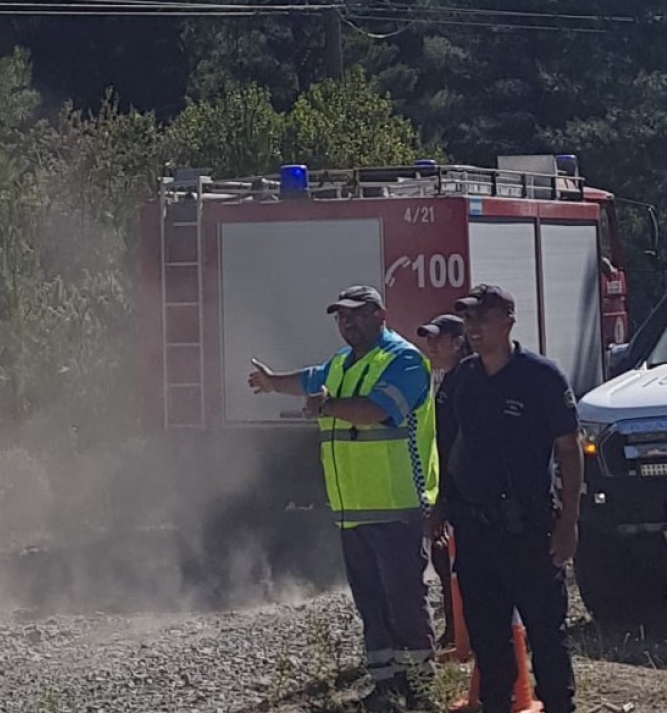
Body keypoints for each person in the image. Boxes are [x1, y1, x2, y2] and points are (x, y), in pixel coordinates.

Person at [249, 284, 438, 710]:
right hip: (353, 511)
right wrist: (273, 383)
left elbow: (374, 411)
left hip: (396, 506)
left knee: (404, 603)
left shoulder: (404, 360)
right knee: (371, 603)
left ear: (380, 316)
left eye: (355, 314)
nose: (347, 321)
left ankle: (420, 691)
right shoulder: (341, 363)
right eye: (341, 316)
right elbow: (310, 379)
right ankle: (385, 685)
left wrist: (326, 408)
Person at [430, 284, 582, 713]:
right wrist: (442, 504)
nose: (473, 328)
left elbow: (569, 449)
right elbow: (450, 445)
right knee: (488, 642)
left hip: (530, 529)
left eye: (482, 318)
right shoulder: (463, 379)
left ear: (508, 321)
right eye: (469, 319)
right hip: (477, 533)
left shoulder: (540, 376)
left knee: (547, 637)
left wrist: (569, 521)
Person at [413, 314, 469, 652]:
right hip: (448, 490)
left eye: (438, 338)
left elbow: (457, 445)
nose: (430, 345)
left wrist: (447, 499)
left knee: (455, 564)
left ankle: (463, 633)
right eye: (428, 338)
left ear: (457, 342)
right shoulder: (444, 380)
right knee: (445, 562)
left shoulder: (463, 382)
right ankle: (456, 630)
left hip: (462, 494)